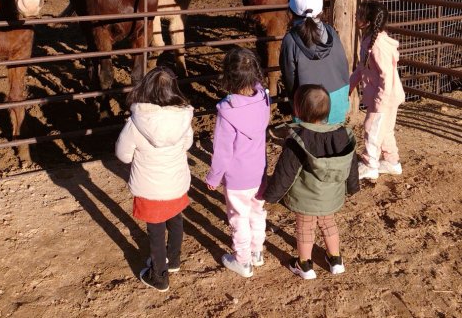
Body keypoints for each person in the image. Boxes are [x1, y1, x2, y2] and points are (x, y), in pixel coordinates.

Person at [264, 85, 359, 279]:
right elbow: (351, 164)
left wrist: (271, 195)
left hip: (306, 197)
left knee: (305, 227)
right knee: (328, 222)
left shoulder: (298, 139)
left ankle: (305, 265)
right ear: (328, 110)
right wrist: (352, 186)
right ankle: (335, 259)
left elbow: (286, 172)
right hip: (331, 196)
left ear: (297, 110)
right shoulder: (342, 135)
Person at [115, 66, 194, 292]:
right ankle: (174, 260)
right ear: (174, 90)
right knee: (176, 220)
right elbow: (187, 144)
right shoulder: (183, 118)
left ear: (145, 90)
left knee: (156, 232)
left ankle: (159, 276)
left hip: (149, 188)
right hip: (176, 184)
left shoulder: (136, 122)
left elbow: (123, 155)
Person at [205, 47, 271, 278]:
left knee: (238, 217)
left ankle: (242, 261)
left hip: (237, 178)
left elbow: (222, 152)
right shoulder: (263, 98)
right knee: (257, 211)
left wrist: (213, 177)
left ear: (227, 77)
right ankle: (257, 252)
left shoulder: (227, 112)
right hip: (259, 170)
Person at [350, 0, 405, 180]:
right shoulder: (369, 40)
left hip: (384, 97)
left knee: (372, 128)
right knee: (385, 130)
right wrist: (349, 87)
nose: (355, 16)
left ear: (367, 22)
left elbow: (386, 77)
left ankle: (370, 165)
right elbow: (361, 68)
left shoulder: (379, 44)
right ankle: (392, 162)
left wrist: (380, 101)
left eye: (359, 15)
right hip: (385, 95)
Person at [280, 0, 350, 124]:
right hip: (338, 100)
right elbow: (342, 65)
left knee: (310, 140)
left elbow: (289, 77)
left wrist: (294, 102)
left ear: (291, 12)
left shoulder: (290, 40)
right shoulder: (330, 31)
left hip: (310, 104)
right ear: (321, 11)